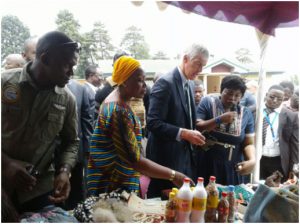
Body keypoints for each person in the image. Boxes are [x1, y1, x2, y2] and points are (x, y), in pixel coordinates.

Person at [86, 56, 190, 196]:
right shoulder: (118, 112)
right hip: (112, 187)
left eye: (144, 79)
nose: (144, 85)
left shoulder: (115, 101)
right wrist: (175, 175)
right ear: (124, 81)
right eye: (139, 80)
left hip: (112, 179)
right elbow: (136, 161)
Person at [1, 31, 80, 212]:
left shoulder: (67, 100)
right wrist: (5, 164)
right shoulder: (3, 84)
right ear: (45, 59)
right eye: (67, 65)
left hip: (37, 190)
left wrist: (64, 171)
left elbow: (72, 142)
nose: (72, 72)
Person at [146, 43, 207, 198]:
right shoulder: (165, 83)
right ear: (186, 59)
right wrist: (184, 133)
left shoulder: (190, 83)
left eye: (203, 66)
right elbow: (153, 122)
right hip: (165, 160)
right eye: (197, 64)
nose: (200, 70)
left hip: (184, 158)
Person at [196, 75, 256, 185]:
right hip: (208, 162)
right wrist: (219, 120)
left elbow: (248, 143)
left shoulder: (246, 113)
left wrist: (252, 160)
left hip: (233, 165)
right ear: (221, 91)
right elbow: (198, 126)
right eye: (228, 93)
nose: (232, 98)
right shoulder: (208, 103)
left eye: (237, 95)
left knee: (231, 198)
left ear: (242, 97)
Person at [64, 79, 94, 209]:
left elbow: (87, 121)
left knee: (76, 192)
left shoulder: (80, 89)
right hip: (46, 155)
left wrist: (88, 151)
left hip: (76, 151)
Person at [260, 85, 299, 181]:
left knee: (275, 191)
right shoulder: (255, 111)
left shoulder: (291, 116)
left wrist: (293, 167)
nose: (275, 101)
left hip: (278, 161)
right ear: (266, 95)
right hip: (258, 159)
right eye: (272, 97)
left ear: (284, 99)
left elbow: (294, 144)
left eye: (279, 99)